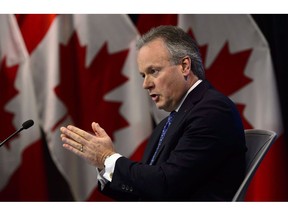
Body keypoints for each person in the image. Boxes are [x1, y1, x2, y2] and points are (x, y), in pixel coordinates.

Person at [60, 25, 247, 201]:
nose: (146, 84)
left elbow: (165, 185)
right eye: (143, 75)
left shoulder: (212, 111)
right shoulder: (169, 122)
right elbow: (148, 189)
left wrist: (107, 158)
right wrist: (104, 165)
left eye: (154, 71)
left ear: (184, 66)